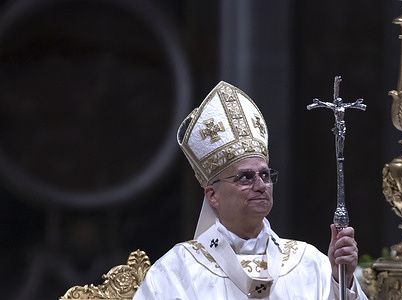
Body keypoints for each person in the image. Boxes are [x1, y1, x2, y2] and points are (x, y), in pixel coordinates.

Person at [133, 81, 368, 299]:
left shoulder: (308, 262)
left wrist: (342, 281)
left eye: (265, 175)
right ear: (212, 195)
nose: (261, 186)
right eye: (245, 177)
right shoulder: (178, 270)